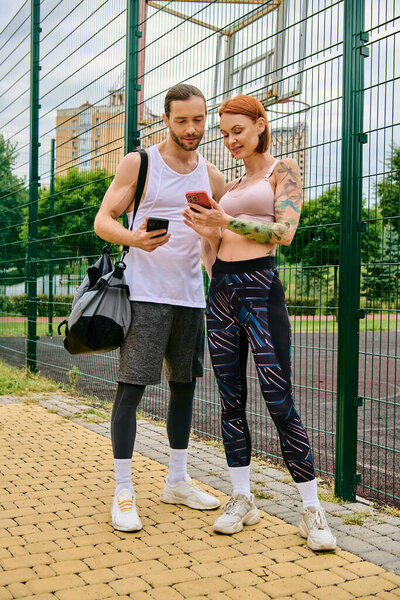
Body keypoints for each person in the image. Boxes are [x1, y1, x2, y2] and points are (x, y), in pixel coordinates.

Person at [183, 94, 336, 551]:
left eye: (238, 131)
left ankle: (311, 508)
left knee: (279, 399)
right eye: (224, 134)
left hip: (261, 288)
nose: (230, 140)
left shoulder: (282, 170)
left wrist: (227, 220)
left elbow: (284, 233)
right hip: (223, 293)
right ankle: (242, 498)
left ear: (261, 125)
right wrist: (209, 233)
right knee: (230, 399)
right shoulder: (229, 187)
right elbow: (214, 245)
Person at [94, 83, 226, 532]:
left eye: (198, 119)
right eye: (182, 120)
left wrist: (215, 248)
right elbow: (103, 220)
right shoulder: (141, 162)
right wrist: (134, 238)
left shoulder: (212, 175)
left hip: (190, 297)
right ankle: (124, 490)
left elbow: (213, 243)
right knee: (131, 388)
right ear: (166, 120)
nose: (192, 129)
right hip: (145, 295)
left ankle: (177, 480)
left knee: (185, 387)